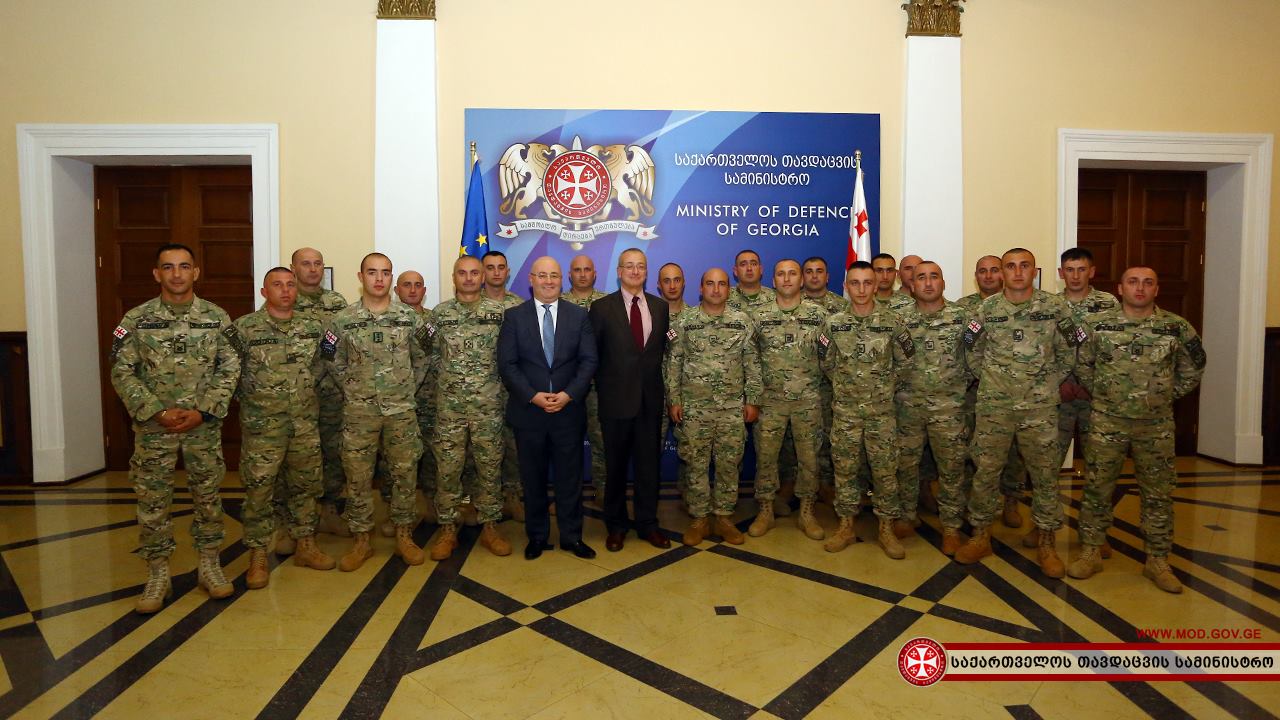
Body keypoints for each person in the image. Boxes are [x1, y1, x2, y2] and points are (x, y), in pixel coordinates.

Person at [110, 243, 240, 613]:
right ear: (157, 274)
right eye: (168, 267)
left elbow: (230, 367)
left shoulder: (216, 317)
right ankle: (157, 574)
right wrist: (155, 411)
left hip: (202, 427)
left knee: (208, 497)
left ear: (196, 272)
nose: (177, 274)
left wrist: (204, 411)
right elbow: (121, 370)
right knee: (152, 502)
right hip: (155, 429)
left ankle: (209, 565)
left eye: (184, 266)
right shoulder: (137, 319)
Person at [1068, 267, 1205, 593]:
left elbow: (1194, 366)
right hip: (1107, 421)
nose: (1140, 288)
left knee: (1158, 493)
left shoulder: (1175, 327)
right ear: (1120, 288)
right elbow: (1082, 364)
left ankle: (1158, 559)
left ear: (1157, 289)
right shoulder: (1097, 325)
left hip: (1155, 425)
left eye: (1147, 283)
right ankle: (1091, 551)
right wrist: (1106, 394)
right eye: (1133, 282)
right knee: (1097, 486)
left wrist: (1163, 395)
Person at [955, 248, 1083, 578]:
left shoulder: (1055, 307)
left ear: (1033, 270)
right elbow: (970, 350)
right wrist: (992, 380)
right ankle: (980, 535)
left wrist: (1048, 383)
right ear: (1002, 272)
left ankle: (1046, 542)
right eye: (1010, 266)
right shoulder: (986, 309)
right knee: (985, 471)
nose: (1017, 272)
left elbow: (1070, 351)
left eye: (1024, 266)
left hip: (1039, 408)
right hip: (994, 407)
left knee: (1044, 474)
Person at [321, 252, 431, 571]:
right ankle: (361, 540)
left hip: (401, 411)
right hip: (359, 412)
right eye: (372, 272)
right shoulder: (342, 320)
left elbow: (425, 357)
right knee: (357, 476)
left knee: (404, 474)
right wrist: (352, 387)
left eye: (385, 272)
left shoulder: (410, 318)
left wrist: (406, 388)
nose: (379, 278)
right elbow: (330, 357)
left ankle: (404, 535)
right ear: (361, 277)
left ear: (391, 277)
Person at [231, 267, 336, 588]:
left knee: (307, 485)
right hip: (263, 427)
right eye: (277, 285)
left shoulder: (313, 328)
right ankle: (258, 554)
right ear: (265, 292)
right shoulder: (243, 329)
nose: (286, 290)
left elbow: (326, 364)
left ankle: (306, 543)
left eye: (290, 284)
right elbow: (228, 373)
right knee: (259, 490)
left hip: (304, 423)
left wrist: (306, 391)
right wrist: (255, 402)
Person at [498, 257, 599, 560]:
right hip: (529, 413)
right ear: (531, 279)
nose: (548, 281)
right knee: (533, 479)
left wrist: (569, 394)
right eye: (542, 275)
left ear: (561, 280)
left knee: (570, 480)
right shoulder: (514, 317)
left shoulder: (578, 315)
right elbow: (507, 364)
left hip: (568, 412)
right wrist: (533, 396)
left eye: (554, 275)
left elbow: (589, 361)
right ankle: (537, 537)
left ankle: (572, 537)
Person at [818, 261, 912, 558]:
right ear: (846, 287)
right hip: (845, 413)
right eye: (855, 283)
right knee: (845, 470)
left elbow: (905, 362)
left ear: (876, 285)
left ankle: (886, 528)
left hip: (881, 414)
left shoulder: (893, 322)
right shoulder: (832, 324)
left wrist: (882, 387)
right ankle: (846, 526)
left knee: (885, 471)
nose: (861, 289)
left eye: (867, 283)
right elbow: (826, 362)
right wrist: (848, 387)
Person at [665, 268, 761, 546]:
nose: (716, 289)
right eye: (710, 284)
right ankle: (699, 519)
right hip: (694, 409)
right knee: (695, 464)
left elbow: (752, 364)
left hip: (731, 408)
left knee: (729, 465)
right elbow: (674, 363)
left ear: (729, 289)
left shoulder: (742, 321)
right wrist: (674, 400)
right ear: (701, 288)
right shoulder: (685, 321)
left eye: (721, 284)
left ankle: (724, 517)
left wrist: (753, 400)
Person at [427, 255, 513, 560]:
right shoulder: (439, 315)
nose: (468, 278)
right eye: (462, 273)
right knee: (448, 469)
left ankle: (490, 526)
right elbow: (429, 356)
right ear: (454, 278)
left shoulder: (500, 313)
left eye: (474, 273)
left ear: (482, 277)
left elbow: (510, 356)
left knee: (489, 467)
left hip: (488, 406)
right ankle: (448, 529)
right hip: (450, 409)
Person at [589, 248, 672, 552]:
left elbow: (659, 354)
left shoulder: (660, 307)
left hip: (650, 402)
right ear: (619, 272)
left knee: (649, 468)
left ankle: (648, 524)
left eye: (640, 266)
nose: (635, 271)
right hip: (615, 402)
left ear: (646, 272)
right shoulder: (601, 308)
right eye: (629, 266)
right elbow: (593, 356)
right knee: (616, 468)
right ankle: (616, 525)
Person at [893, 262, 973, 555]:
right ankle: (906, 516)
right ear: (912, 285)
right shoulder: (898, 319)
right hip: (907, 407)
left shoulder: (963, 319)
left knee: (952, 469)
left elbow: (976, 358)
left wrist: (955, 388)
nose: (928, 283)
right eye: (921, 278)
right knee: (906, 466)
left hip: (948, 409)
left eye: (934, 277)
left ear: (943, 282)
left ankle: (951, 527)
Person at [748, 260, 827, 540]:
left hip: (808, 401)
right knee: (766, 458)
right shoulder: (759, 316)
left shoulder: (819, 316)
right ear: (773, 281)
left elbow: (829, 358)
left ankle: (807, 512)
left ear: (801, 280)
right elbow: (751, 359)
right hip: (770, 402)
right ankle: (766, 511)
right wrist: (754, 397)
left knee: (809, 459)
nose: (786, 278)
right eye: (780, 274)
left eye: (792, 273)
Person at [959, 254, 1027, 529]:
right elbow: (967, 345)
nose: (988, 276)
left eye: (994, 270)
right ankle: (971, 503)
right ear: (976, 276)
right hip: (975, 391)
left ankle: (1011, 500)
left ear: (1003, 273)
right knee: (975, 450)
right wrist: (983, 376)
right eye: (982, 271)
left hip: (1019, 396)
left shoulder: (1024, 304)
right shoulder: (965, 308)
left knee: (1015, 452)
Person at [290, 247, 351, 540]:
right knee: (295, 457)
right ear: (294, 268)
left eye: (317, 264)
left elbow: (345, 343)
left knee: (334, 453)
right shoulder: (286, 299)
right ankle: (291, 522)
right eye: (306, 264)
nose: (313, 269)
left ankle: (329, 511)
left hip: (333, 393)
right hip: (297, 394)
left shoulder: (336, 302)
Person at [375, 270, 437, 537]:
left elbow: (430, 357)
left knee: (432, 455)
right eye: (406, 285)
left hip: (430, 400)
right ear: (396, 290)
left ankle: (432, 503)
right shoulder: (384, 319)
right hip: (395, 405)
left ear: (425, 290)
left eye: (418, 285)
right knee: (393, 460)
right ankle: (394, 511)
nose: (412, 290)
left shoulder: (433, 321)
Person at [1056, 248, 1118, 469]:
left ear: (1091, 272)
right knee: (1047, 462)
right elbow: (1043, 350)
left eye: (1081, 269)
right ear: (1061, 273)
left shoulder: (1109, 304)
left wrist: (1090, 384)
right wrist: (1059, 383)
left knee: (1099, 462)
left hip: (1096, 395)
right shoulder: (1050, 305)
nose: (1075, 276)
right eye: (1069, 270)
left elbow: (1115, 349)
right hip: (1058, 395)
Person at [480, 250, 526, 521]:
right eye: (490, 267)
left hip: (512, 390)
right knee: (481, 450)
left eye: (501, 267)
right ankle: (482, 500)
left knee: (513, 446)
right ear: (482, 272)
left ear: (507, 272)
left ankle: (512, 497)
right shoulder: (472, 304)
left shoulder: (518, 305)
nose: (496, 272)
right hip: (480, 391)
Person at [561, 255, 608, 494]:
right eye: (577, 270)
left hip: (600, 387)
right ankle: (569, 494)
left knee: (602, 442)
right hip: (566, 387)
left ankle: (603, 491)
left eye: (587, 269)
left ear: (594, 273)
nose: (582, 274)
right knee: (567, 444)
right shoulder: (558, 303)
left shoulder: (608, 303)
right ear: (569, 275)